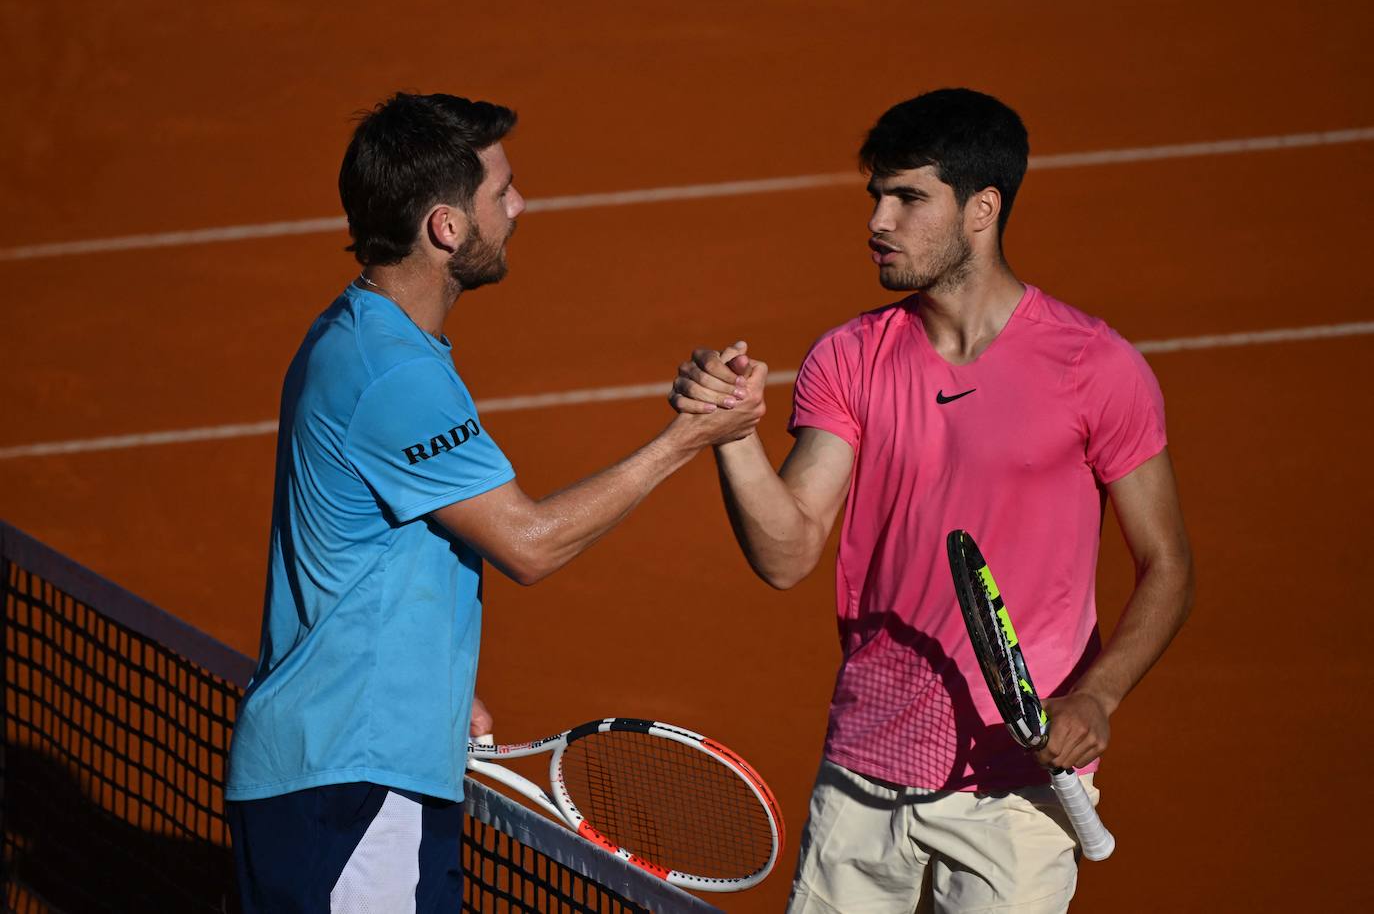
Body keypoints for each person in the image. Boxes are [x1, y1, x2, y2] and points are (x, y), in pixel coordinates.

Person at [224, 92, 762, 914]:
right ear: (446, 228)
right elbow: (530, 543)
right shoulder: (396, 374)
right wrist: (682, 442)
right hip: (353, 785)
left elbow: (377, 546)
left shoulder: (361, 334)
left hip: (356, 767)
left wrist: (438, 687)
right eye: (500, 192)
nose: (520, 206)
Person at [669, 88, 1194, 912]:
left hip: (1017, 791)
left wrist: (1100, 694)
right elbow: (788, 551)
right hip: (863, 773)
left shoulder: (1097, 367)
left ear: (982, 208)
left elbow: (1166, 565)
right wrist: (732, 437)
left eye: (908, 197)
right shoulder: (849, 357)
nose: (878, 220)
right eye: (876, 195)